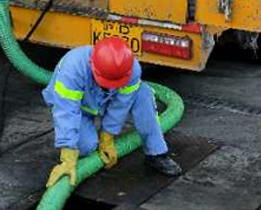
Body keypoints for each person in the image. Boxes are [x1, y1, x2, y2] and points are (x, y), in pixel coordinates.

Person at [43, 38, 183, 187]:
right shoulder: (73, 68)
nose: (111, 85)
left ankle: (156, 152)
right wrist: (68, 154)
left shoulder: (131, 68)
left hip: (106, 100)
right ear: (93, 67)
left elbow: (121, 105)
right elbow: (66, 111)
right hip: (78, 108)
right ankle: (76, 150)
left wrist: (107, 136)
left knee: (143, 94)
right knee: (86, 147)